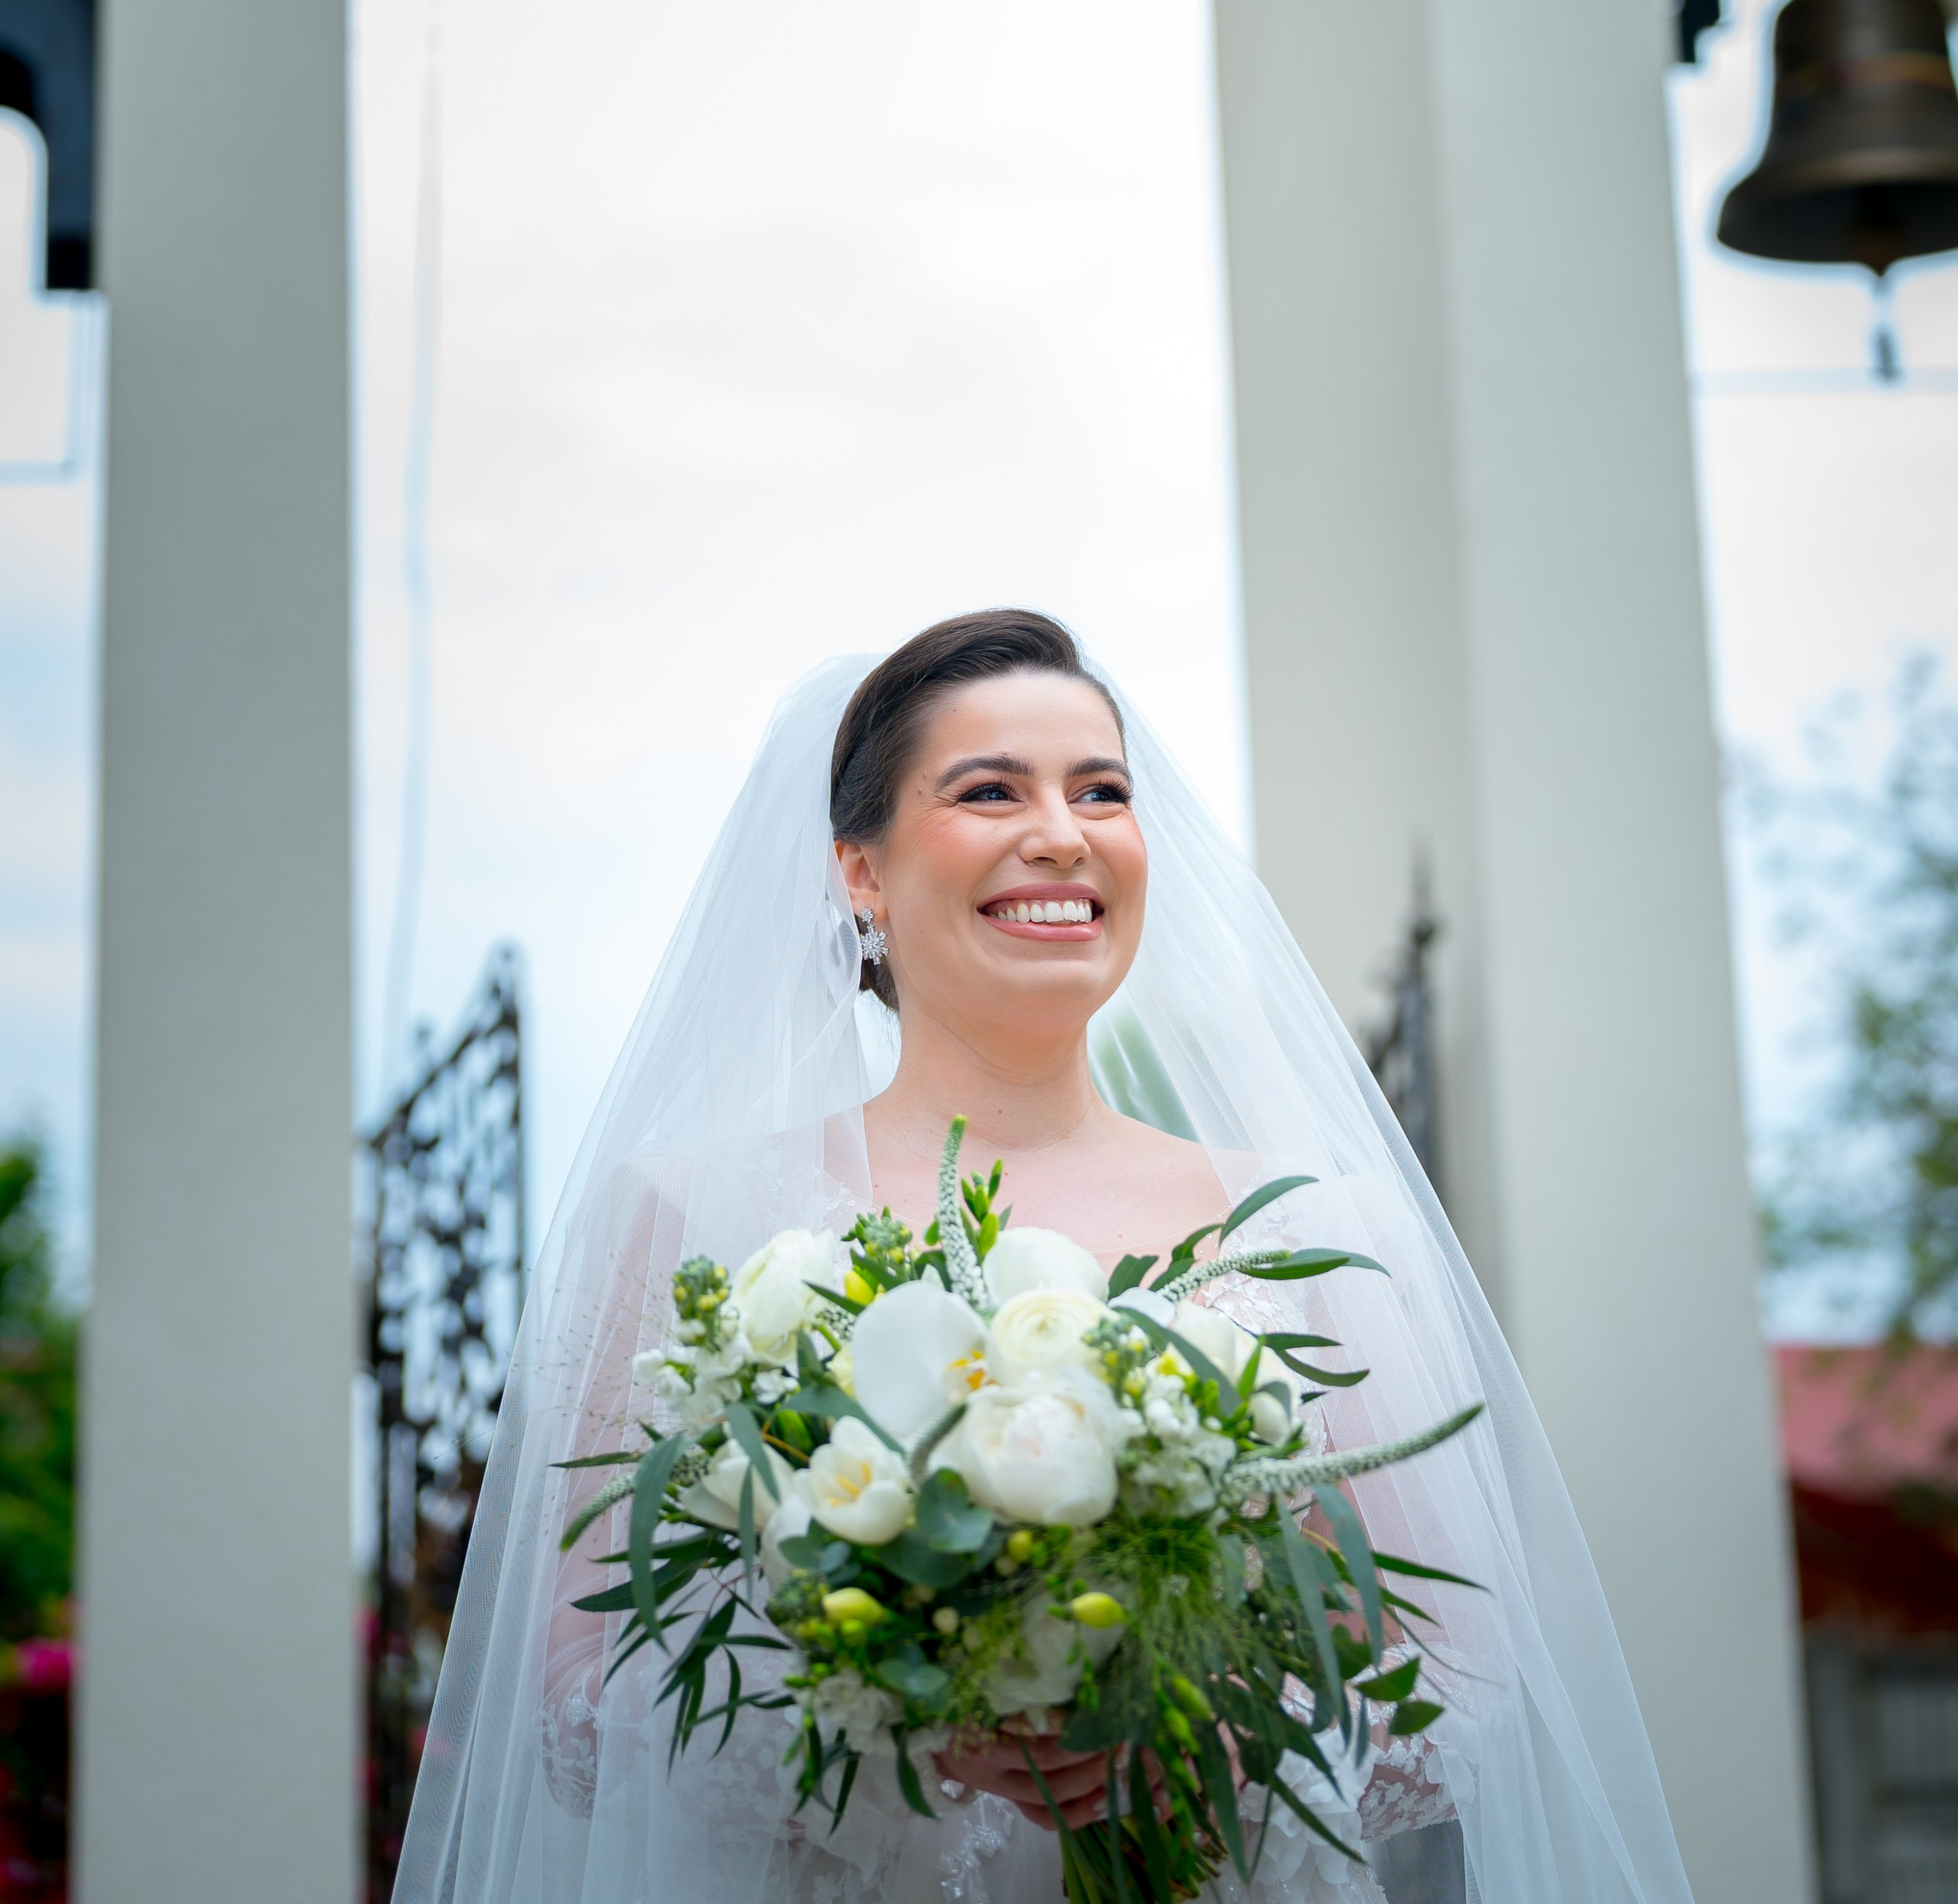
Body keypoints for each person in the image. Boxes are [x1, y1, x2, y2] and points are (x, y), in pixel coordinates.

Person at [395, 610, 1696, 1904]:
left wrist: (1222, 1737)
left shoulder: (1315, 1227)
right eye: (990, 789)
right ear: (859, 869)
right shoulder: (699, 1217)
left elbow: (1462, 1686)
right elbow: (572, 1714)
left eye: (1102, 790)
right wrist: (895, 1709)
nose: (1064, 833)